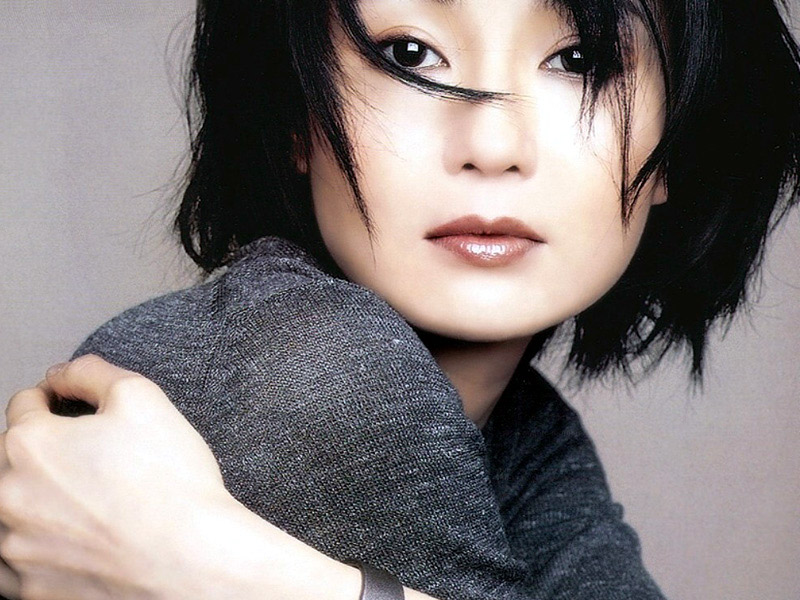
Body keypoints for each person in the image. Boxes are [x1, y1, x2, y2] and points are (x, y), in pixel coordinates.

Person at [1, 0, 798, 599]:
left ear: (677, 139)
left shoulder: (525, 431)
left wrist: (228, 574)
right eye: (410, 54)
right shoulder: (316, 367)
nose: (493, 145)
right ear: (297, 117)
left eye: (580, 60)